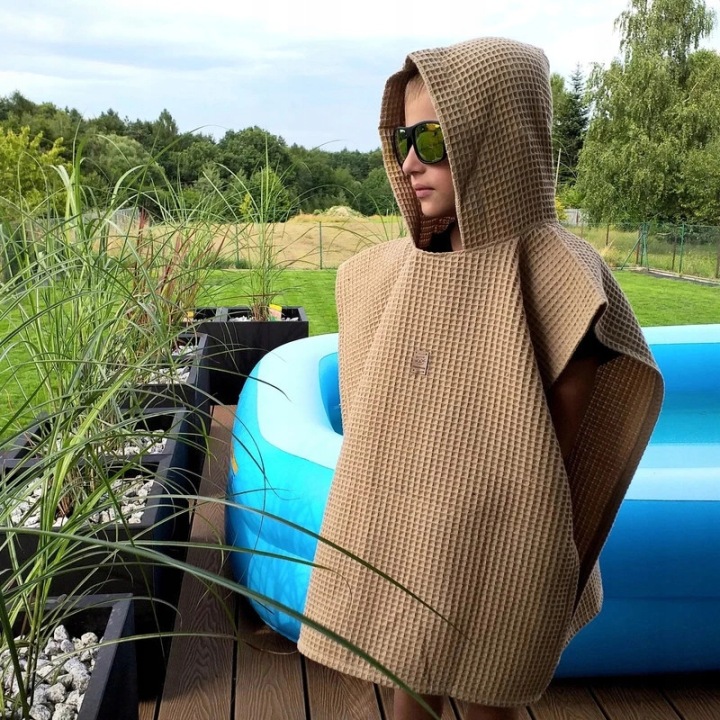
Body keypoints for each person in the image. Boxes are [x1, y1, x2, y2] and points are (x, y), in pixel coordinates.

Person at [297, 37, 663, 720]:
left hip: (501, 542)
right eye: (403, 140)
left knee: (488, 692)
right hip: (407, 530)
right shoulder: (392, 277)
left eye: (433, 139)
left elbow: (550, 460)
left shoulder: (558, 280)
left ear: (494, 142)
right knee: (407, 681)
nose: (410, 162)